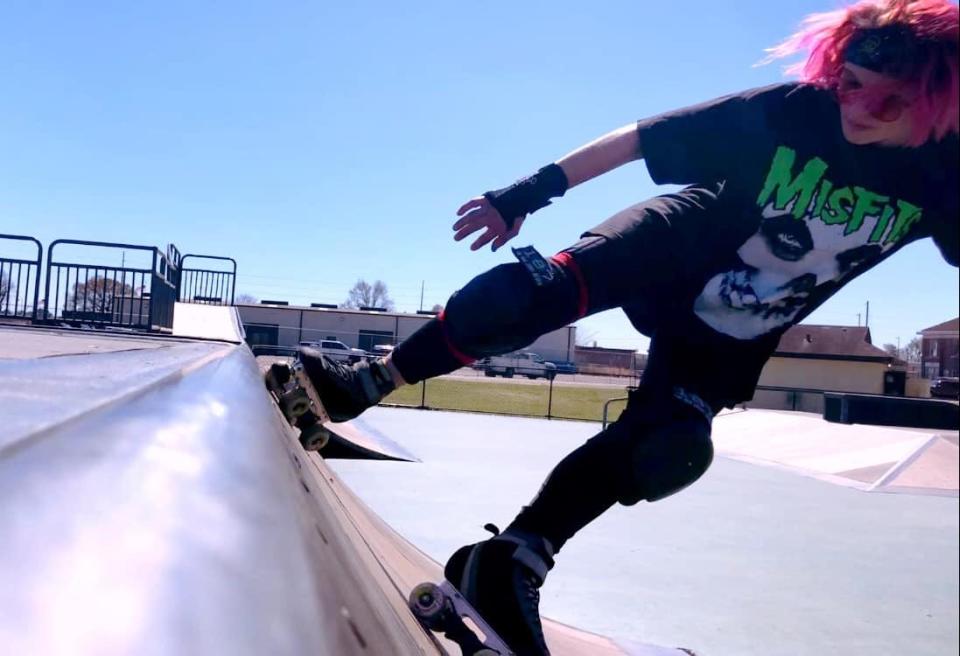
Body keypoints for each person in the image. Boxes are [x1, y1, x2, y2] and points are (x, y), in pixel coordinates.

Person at [298, 1, 958, 653]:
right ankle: (368, 378)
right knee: (520, 298)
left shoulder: (943, 178)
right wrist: (525, 193)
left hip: (735, 325)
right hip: (678, 242)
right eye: (850, 84)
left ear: (936, 107)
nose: (857, 110)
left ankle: (513, 558)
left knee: (669, 447)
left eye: (888, 104)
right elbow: (641, 137)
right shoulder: (795, 109)